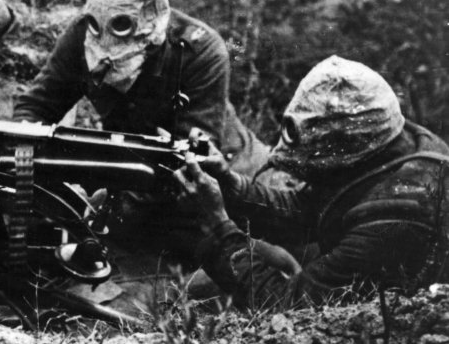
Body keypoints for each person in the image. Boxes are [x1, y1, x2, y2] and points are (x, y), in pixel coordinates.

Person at [174, 55, 449, 309]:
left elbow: (286, 304)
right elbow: (307, 209)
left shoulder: (397, 217)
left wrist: (217, 227)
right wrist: (232, 187)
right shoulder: (388, 144)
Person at [12, 0, 269, 178]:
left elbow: (194, 162)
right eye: (96, 21)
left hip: (228, 172)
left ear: (150, 15)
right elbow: (37, 106)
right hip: (134, 165)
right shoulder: (82, 35)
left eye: (122, 24)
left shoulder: (200, 52)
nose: (106, 38)